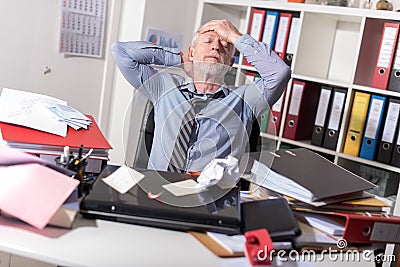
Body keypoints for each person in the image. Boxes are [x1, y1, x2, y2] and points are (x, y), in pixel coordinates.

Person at [111, 19, 291, 173]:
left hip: (211, 198)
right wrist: (180, 58)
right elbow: (121, 52)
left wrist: (235, 37)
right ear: (191, 52)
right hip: (158, 191)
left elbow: (280, 73)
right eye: (208, 41)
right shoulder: (165, 87)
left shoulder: (245, 100)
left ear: (230, 62)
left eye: (225, 44)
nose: (216, 47)